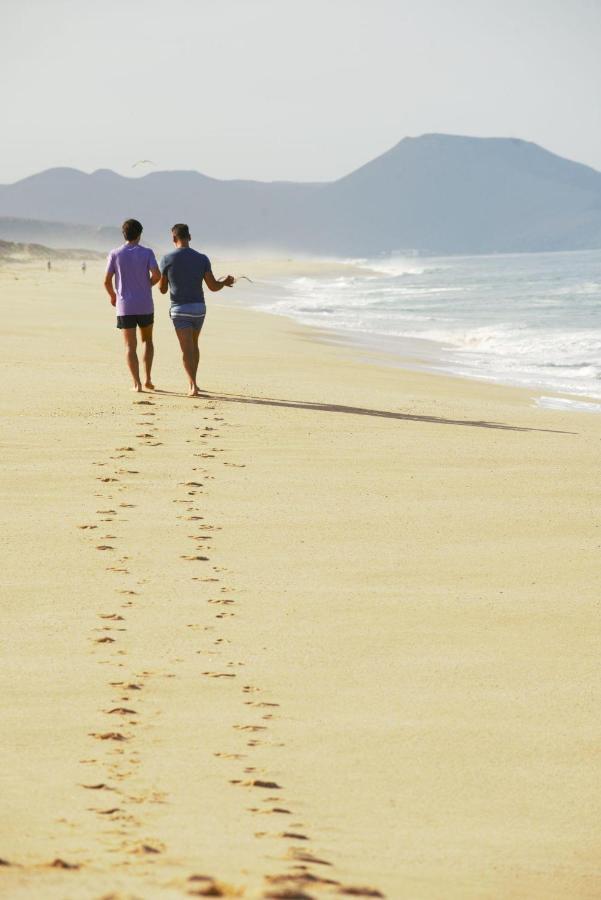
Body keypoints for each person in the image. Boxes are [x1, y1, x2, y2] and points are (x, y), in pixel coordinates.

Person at [159, 224, 234, 396]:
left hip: (180, 309)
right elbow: (213, 287)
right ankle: (195, 382)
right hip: (199, 309)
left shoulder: (166, 259)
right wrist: (224, 282)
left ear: (173, 238)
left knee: (187, 349)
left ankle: (192, 385)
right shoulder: (202, 258)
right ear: (189, 237)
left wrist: (168, 280)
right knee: (194, 345)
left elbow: (162, 290)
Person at [104, 219, 161, 392]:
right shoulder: (147, 252)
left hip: (125, 305)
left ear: (124, 234)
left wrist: (113, 296)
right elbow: (157, 275)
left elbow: (106, 281)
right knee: (147, 341)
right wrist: (147, 285)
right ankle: (148, 379)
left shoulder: (115, 253)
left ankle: (136, 384)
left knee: (130, 346)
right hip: (144, 304)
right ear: (140, 234)